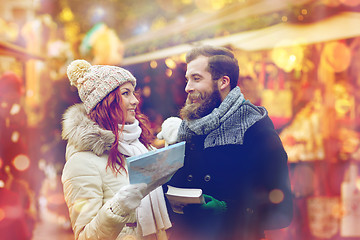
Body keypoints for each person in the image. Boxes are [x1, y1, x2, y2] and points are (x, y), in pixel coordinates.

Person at [158, 45, 293, 240]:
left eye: (196, 78)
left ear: (223, 82)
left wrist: (227, 209)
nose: (187, 87)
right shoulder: (187, 128)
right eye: (188, 79)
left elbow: (282, 209)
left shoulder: (255, 127)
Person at [61, 60, 172, 240]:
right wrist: (117, 208)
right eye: (125, 93)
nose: (135, 100)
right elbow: (84, 236)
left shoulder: (141, 146)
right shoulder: (81, 162)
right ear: (106, 101)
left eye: (133, 93)